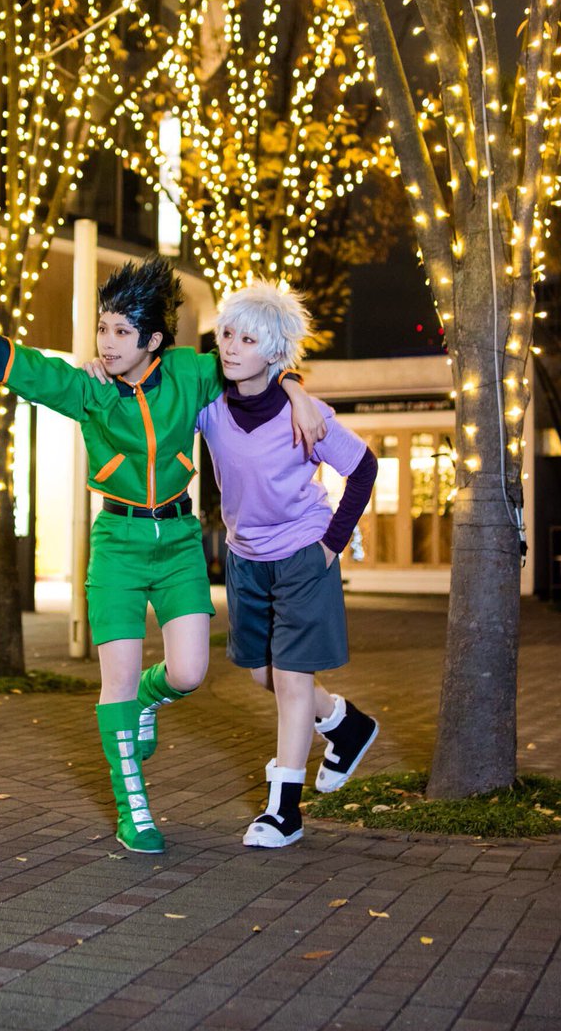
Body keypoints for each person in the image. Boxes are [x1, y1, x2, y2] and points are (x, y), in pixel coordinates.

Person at [0, 257, 325, 855]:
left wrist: (296, 390)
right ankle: (132, 810)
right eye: (103, 329)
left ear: (154, 341)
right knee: (114, 682)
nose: (108, 342)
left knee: (189, 673)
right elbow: (35, 372)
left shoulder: (191, 373)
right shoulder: (90, 388)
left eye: (123, 331)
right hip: (117, 544)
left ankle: (148, 701)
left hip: (178, 542)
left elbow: (252, 365)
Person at [195, 280, 379, 848]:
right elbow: (157, 387)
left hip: (303, 552)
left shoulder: (307, 415)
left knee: (293, 679)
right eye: (228, 334)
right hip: (245, 558)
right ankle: (346, 725)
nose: (231, 347)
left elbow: (364, 468)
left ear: (274, 351)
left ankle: (284, 812)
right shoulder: (209, 408)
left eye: (248, 340)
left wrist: (331, 543)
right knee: (264, 675)